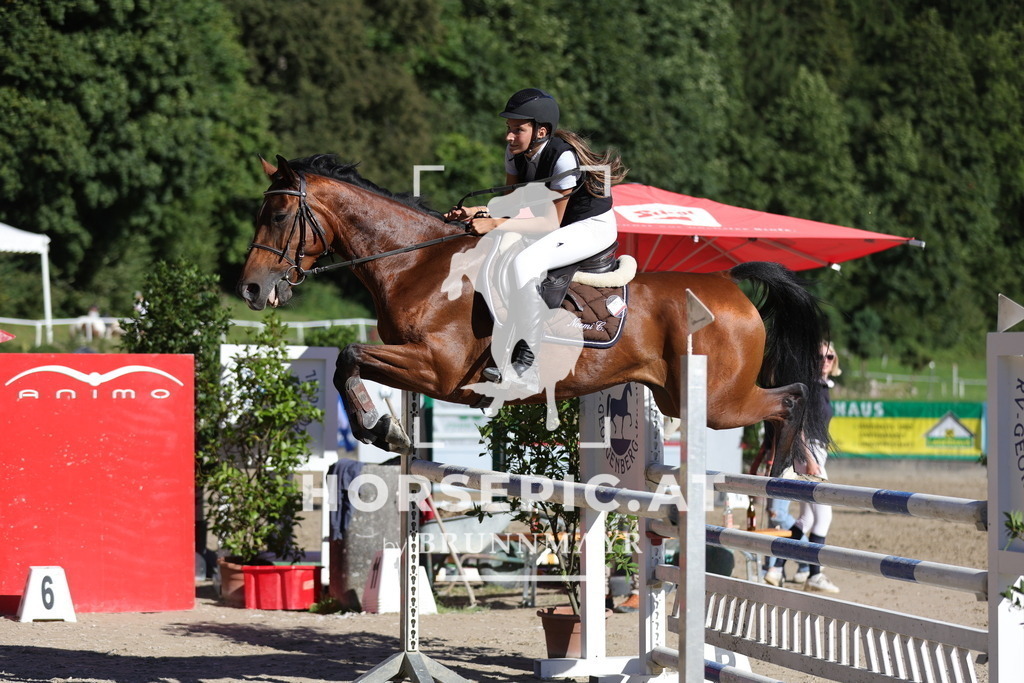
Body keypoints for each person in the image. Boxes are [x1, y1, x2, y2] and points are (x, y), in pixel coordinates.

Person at [445, 88, 627, 385]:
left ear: (541, 131)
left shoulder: (562, 158)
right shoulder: (516, 153)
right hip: (559, 223)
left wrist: (493, 225)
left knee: (525, 263)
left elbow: (549, 222)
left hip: (589, 226)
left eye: (518, 130)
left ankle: (526, 365)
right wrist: (477, 211)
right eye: (508, 129)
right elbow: (513, 202)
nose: (509, 137)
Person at [765, 341, 842, 592]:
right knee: (824, 515)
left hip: (812, 453)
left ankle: (776, 569)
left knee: (806, 519)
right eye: (819, 357)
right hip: (809, 454)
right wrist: (808, 459)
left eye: (829, 356)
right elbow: (798, 425)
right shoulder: (809, 388)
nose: (825, 361)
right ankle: (815, 575)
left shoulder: (821, 387)